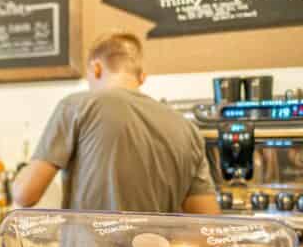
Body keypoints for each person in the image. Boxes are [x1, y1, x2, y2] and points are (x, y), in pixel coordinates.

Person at [12, 32, 220, 215]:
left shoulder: (76, 106)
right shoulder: (186, 128)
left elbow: (25, 194)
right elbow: (207, 222)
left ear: (96, 68)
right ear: (141, 77)